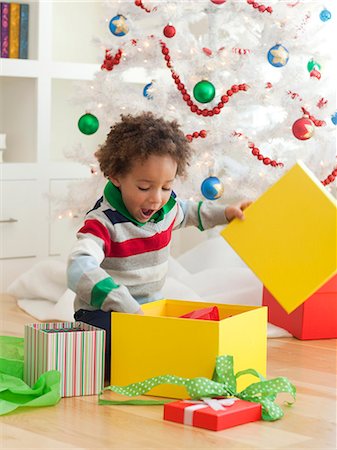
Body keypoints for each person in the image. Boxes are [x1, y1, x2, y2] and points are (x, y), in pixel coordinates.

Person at [67, 112, 251, 380]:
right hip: (103, 314)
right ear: (116, 176)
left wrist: (225, 213)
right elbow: (78, 268)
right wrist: (121, 301)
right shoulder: (103, 222)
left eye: (166, 187)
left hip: (147, 311)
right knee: (118, 356)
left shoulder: (166, 209)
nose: (156, 199)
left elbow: (189, 211)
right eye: (144, 187)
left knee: (183, 339)